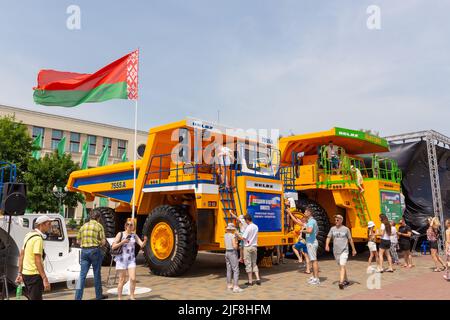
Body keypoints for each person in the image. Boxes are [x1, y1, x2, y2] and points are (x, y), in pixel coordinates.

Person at [15, 215, 53, 300]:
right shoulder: (38, 239)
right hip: (34, 275)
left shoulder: (28, 235)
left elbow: (22, 255)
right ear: (42, 224)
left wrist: (20, 273)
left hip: (26, 275)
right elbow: (37, 260)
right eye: (49, 223)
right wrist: (44, 278)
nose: (51, 225)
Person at [75, 211, 108, 300]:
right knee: (97, 274)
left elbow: (78, 241)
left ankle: (77, 298)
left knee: (82, 276)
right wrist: (99, 244)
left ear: (90, 217)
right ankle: (98, 296)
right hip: (94, 251)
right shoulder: (98, 226)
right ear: (98, 218)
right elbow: (103, 241)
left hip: (84, 252)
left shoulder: (83, 226)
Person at [112, 218, 147, 300]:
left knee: (133, 278)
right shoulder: (120, 234)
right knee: (122, 280)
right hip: (121, 260)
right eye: (127, 224)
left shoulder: (134, 235)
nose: (129, 226)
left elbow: (141, 245)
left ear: (133, 227)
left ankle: (132, 296)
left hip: (131, 260)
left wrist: (145, 241)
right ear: (125, 226)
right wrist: (122, 242)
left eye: (131, 225)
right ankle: (119, 298)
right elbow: (113, 246)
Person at [325, 214, 357, 289]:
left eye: (338, 219)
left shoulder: (346, 229)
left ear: (341, 220)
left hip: (344, 250)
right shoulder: (332, 229)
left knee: (342, 265)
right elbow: (328, 237)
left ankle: (341, 282)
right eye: (335, 219)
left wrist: (353, 249)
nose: (336, 221)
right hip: (336, 251)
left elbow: (350, 240)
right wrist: (327, 245)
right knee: (341, 266)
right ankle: (346, 280)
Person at [236, 214, 261, 286]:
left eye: (245, 220)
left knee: (248, 264)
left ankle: (250, 281)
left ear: (247, 220)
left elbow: (243, 238)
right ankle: (258, 278)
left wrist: (237, 233)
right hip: (254, 246)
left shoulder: (248, 228)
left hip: (248, 247)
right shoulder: (256, 226)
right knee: (254, 263)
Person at [223, 223, 243, 292]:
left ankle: (229, 285)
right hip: (232, 253)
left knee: (229, 269)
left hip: (227, 252)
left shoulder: (225, 235)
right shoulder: (233, 236)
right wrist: (237, 242)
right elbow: (235, 246)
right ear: (232, 229)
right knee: (236, 270)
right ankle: (236, 287)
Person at [304, 206, 320, 285]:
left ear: (309, 213)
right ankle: (314, 277)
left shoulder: (311, 222)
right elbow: (317, 231)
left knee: (314, 260)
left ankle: (316, 279)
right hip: (312, 242)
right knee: (313, 260)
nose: (304, 213)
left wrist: (302, 231)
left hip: (311, 243)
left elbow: (310, 231)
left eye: (306, 212)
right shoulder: (313, 221)